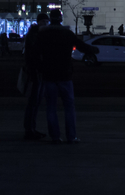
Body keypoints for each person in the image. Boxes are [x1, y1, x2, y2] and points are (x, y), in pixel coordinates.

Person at [38, 9, 99, 144]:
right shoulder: (67, 33)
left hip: (49, 74)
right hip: (64, 73)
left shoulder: (43, 35)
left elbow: (36, 52)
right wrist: (94, 49)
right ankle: (71, 136)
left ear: (50, 19)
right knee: (69, 107)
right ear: (60, 19)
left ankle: (55, 136)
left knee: (51, 107)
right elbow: (82, 47)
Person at [23, 13, 49, 140]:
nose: (45, 24)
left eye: (46, 22)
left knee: (36, 102)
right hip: (36, 72)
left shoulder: (35, 34)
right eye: (43, 21)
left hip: (39, 71)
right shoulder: (35, 35)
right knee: (34, 101)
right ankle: (29, 129)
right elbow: (35, 54)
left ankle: (31, 128)